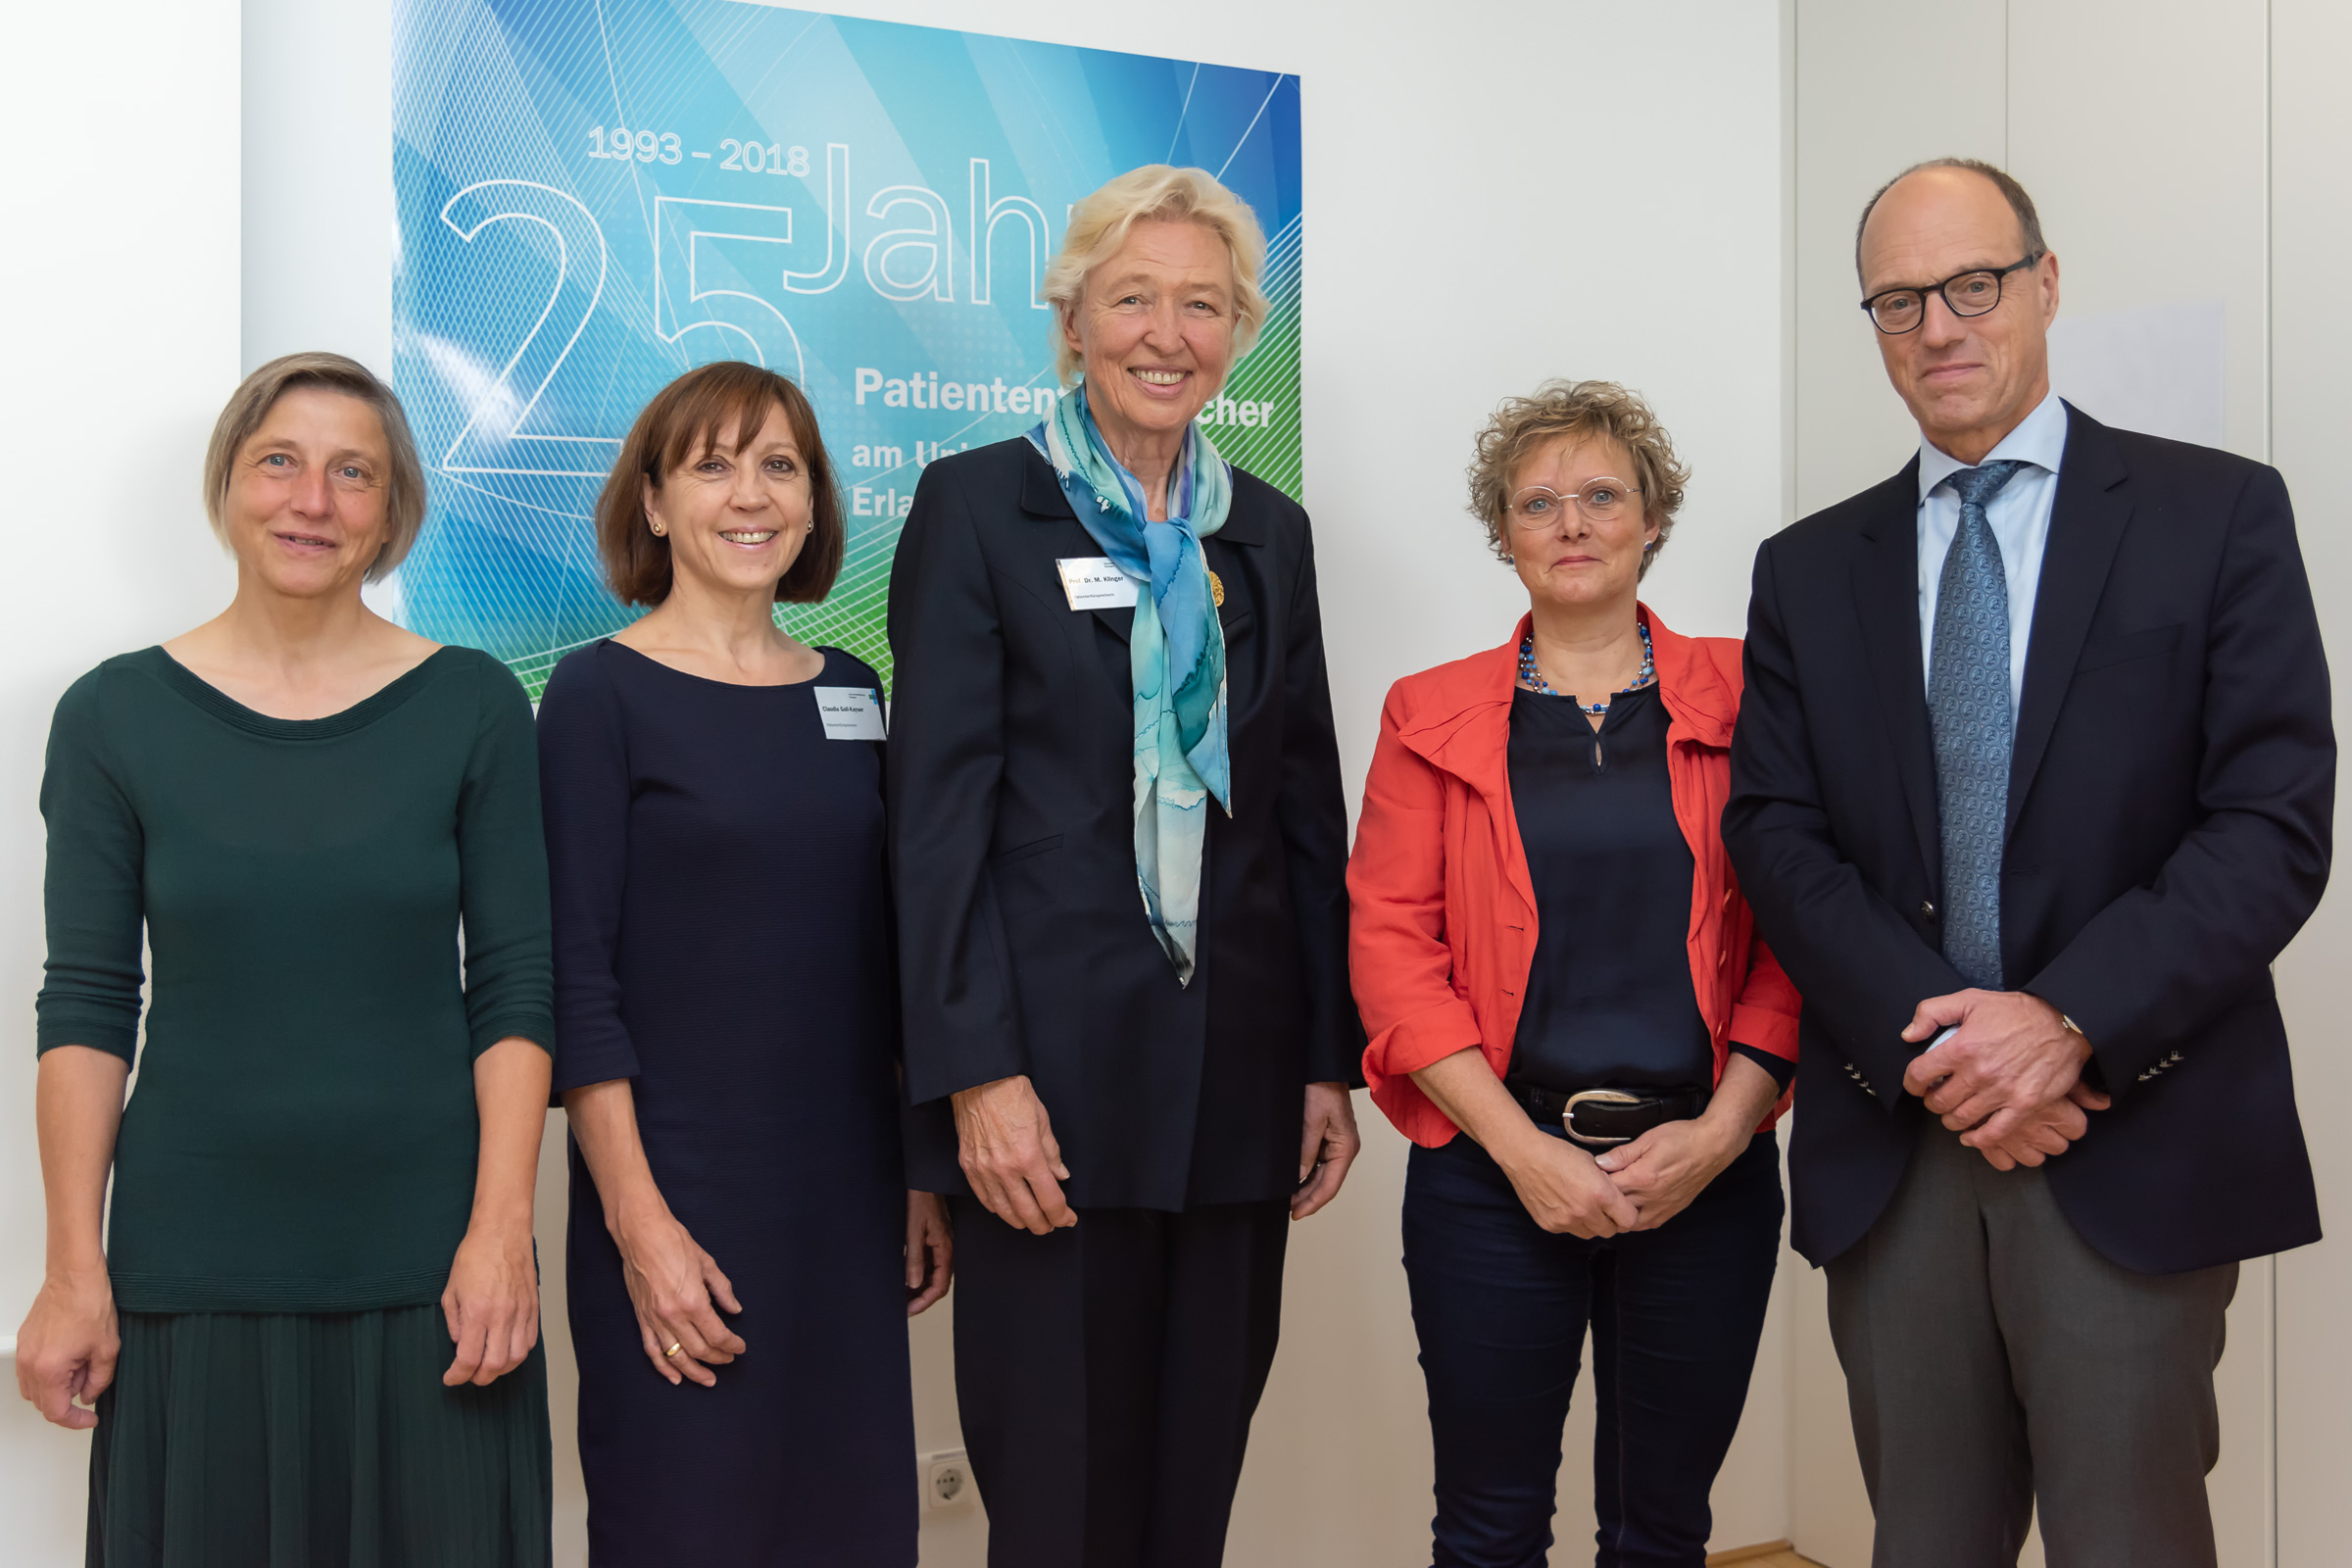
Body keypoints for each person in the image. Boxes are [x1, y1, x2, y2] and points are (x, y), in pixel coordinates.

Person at [1724, 158, 2331, 1567]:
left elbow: (2271, 821)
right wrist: (1944, 1046)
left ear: (2045, 286)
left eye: (1974, 285)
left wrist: (2063, 1027)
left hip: (2133, 1124)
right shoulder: (1807, 568)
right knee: (1925, 1541)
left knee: (2131, 1539)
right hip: (1900, 1135)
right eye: (1898, 302)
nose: (1940, 326)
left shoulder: (2217, 515)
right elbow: (1778, 831)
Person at [886, 164, 1361, 1568]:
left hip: (1236, 1085)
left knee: (1191, 1482)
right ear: (1074, 322)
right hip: (1050, 1095)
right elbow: (936, 823)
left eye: (1202, 305)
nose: (1169, 332)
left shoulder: (1266, 531)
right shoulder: (978, 509)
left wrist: (1325, 1059)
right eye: (1134, 298)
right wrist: (977, 1080)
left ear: (1237, 334)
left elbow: (1301, 812)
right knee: (1060, 1497)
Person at [14, 352, 556, 1566]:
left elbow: (516, 978)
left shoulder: (471, 704)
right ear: (229, 487)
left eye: (352, 472)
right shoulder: (112, 718)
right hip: (195, 1274)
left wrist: (501, 1234)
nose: (312, 499)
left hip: (435, 1277)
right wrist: (70, 1270)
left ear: (391, 510)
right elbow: (91, 1003)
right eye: (281, 461)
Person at [1348, 380, 1801, 1568]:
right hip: (1495, 1175)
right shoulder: (1427, 713)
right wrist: (1522, 1153)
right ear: (1502, 534)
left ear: (1656, 517)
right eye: (1538, 501)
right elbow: (1392, 949)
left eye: (1604, 494)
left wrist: (1721, 1134)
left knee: (1663, 1529)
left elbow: (1794, 941)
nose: (1573, 522)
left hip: (1703, 1169)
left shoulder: (1754, 695)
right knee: (1489, 1529)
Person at [537, 361, 951, 1567]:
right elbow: (577, 983)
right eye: (712, 465)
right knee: (688, 1523)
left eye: (779, 465)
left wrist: (919, 1178)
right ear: (655, 502)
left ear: (816, 504)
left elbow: (888, 962)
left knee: (855, 1528)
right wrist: (639, 1227)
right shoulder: (595, 695)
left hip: (848, 1196)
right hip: (680, 1196)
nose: (750, 494)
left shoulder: (859, 691)